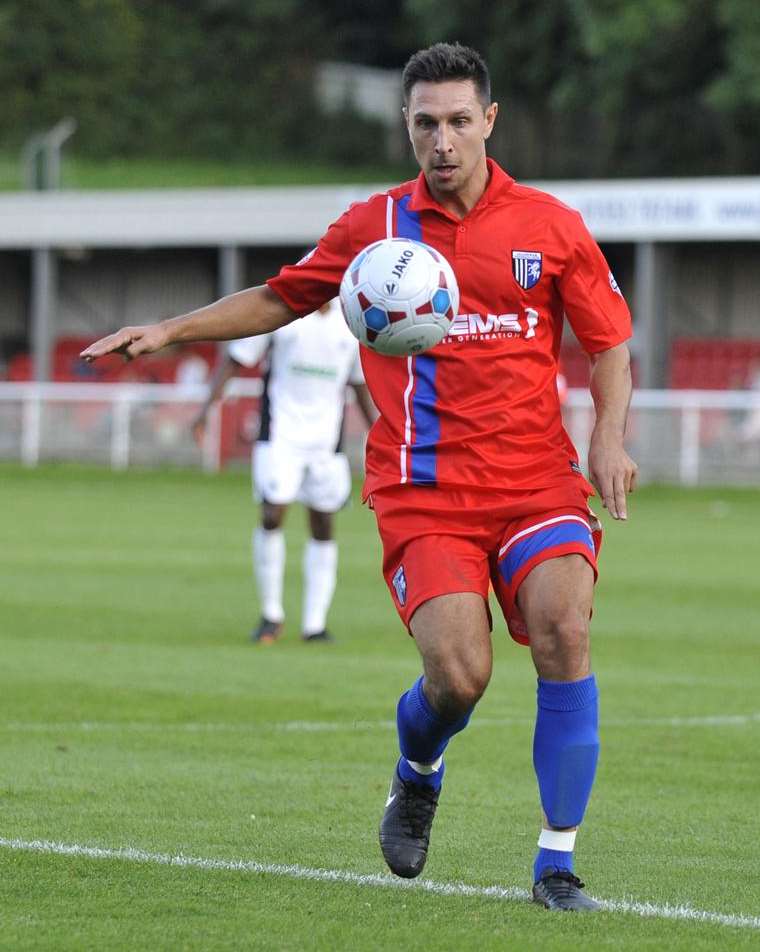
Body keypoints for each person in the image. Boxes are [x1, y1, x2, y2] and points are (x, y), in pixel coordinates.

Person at [83, 42, 637, 911]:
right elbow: (282, 295)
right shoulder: (373, 228)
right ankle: (418, 768)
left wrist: (609, 436)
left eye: (459, 120)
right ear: (406, 128)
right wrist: (172, 329)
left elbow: (608, 344)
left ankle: (556, 862)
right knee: (459, 678)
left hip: (537, 482)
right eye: (426, 123)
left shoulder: (550, 226)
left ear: (489, 121)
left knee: (565, 630)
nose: (443, 140)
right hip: (424, 491)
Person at [191, 298, 377, 644]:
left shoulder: (350, 320)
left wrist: (380, 435)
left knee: (323, 522)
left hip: (325, 442)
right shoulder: (283, 313)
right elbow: (237, 360)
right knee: (272, 514)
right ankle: (271, 614)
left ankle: (315, 624)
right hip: (279, 435)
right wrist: (206, 410)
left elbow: (358, 383)